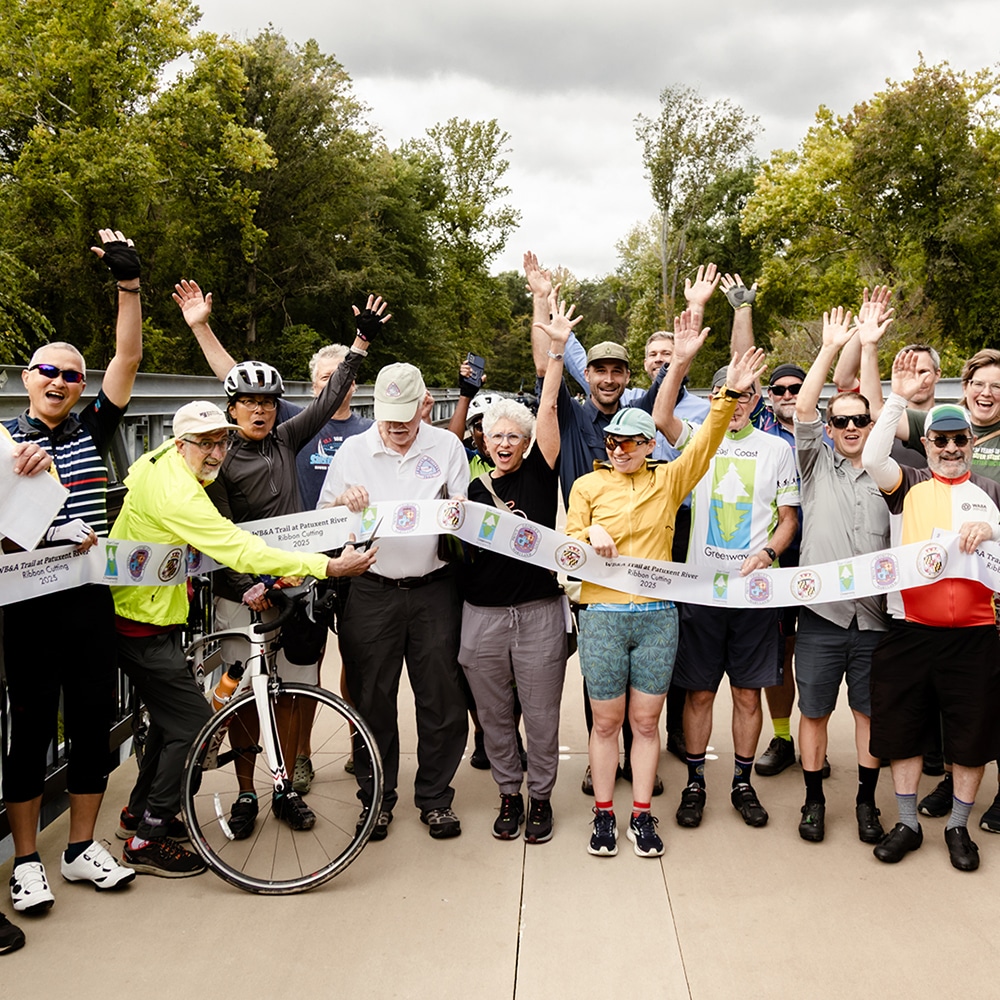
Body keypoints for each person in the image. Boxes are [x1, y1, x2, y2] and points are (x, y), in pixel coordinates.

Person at [111, 399, 376, 876]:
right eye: (205, 445)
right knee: (193, 726)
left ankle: (139, 810)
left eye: (220, 442)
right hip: (141, 622)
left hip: (153, 614)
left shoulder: (158, 459)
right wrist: (327, 566)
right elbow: (236, 546)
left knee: (173, 720)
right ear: (181, 443)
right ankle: (145, 838)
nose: (215, 454)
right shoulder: (180, 496)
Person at [567, 319, 766, 858]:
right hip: (603, 617)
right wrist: (590, 532)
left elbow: (705, 444)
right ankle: (604, 815)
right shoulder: (587, 484)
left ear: (649, 442)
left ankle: (642, 815)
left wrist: (728, 394)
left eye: (631, 441)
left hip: (657, 615)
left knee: (647, 722)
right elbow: (566, 542)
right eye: (612, 441)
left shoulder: (669, 477)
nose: (620, 448)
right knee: (607, 722)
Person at [197, 296, 385, 835]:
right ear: (231, 409)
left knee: (295, 687)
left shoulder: (286, 437)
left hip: (296, 586)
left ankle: (284, 787)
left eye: (269, 402)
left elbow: (327, 403)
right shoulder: (218, 460)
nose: (260, 410)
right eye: (248, 403)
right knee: (244, 701)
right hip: (245, 594)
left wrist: (359, 347)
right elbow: (219, 536)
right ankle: (247, 793)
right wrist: (245, 583)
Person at [2, 229, 143, 916]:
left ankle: (80, 848)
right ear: (26, 379)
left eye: (71, 374)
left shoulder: (93, 428)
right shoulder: (3, 445)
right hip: (27, 603)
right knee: (29, 730)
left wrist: (129, 285)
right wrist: (27, 497)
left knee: (91, 721)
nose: (60, 380)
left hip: (89, 595)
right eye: (47, 371)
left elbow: (128, 355)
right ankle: (26, 861)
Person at [524, 250, 669, 797]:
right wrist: (540, 297)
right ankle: (602, 760)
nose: (607, 379)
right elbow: (546, 372)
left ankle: (644, 753)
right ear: (589, 374)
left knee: (650, 677)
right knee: (601, 680)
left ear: (629, 377)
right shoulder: (576, 413)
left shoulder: (642, 416)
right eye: (599, 370)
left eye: (617, 370)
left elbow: (673, 380)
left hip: (649, 570)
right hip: (595, 570)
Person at [319, 362, 471, 841]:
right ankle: (377, 798)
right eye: (389, 416)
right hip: (372, 590)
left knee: (441, 697)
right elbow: (322, 518)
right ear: (375, 409)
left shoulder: (447, 447)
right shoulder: (352, 450)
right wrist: (343, 503)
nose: (399, 426)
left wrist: (455, 512)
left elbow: (463, 519)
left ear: (425, 404)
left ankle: (435, 798)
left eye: (407, 414)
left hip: (434, 589)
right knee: (371, 699)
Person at [861, 351, 1000, 871]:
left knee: (969, 737)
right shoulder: (909, 485)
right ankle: (908, 823)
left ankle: (960, 828)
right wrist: (896, 396)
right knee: (904, 728)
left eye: (958, 439)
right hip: (910, 629)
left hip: (976, 635)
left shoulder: (990, 493)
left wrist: (993, 529)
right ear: (926, 444)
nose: (948, 447)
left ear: (971, 443)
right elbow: (873, 458)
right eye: (939, 440)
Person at [661, 352, 800, 831]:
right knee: (699, 696)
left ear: (756, 399)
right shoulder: (699, 442)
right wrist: (679, 360)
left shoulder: (777, 449)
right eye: (726, 393)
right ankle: (695, 782)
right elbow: (661, 418)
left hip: (753, 596)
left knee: (746, 695)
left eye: (744, 393)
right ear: (714, 399)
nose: (736, 402)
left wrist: (767, 553)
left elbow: (788, 520)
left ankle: (742, 783)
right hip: (702, 594)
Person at [458, 290, 574, 843]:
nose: (504, 443)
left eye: (514, 436)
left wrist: (556, 351)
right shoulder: (467, 489)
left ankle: (541, 798)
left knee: (542, 713)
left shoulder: (539, 473)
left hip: (538, 613)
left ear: (527, 444)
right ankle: (508, 794)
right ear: (481, 439)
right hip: (481, 616)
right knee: (495, 714)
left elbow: (549, 407)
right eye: (495, 435)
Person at [791, 306, 892, 844]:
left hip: (875, 621)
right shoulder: (813, 463)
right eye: (842, 421)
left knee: (868, 717)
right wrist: (830, 348)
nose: (852, 428)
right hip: (822, 617)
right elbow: (805, 405)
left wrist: (871, 346)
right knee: (813, 712)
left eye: (860, 421)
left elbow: (879, 408)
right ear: (830, 429)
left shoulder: (887, 471)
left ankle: (866, 804)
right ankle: (812, 802)